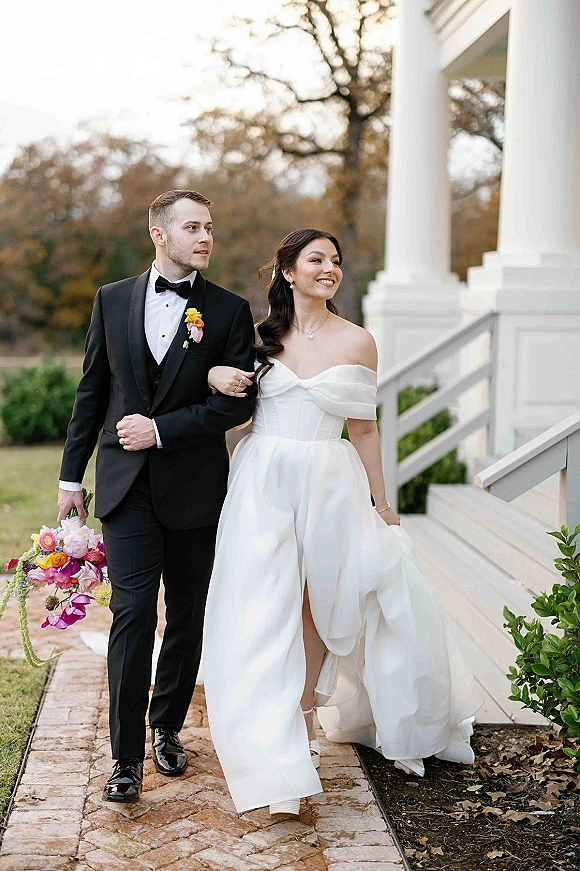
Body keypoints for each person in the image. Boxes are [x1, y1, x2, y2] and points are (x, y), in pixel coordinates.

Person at [202, 228, 482, 817]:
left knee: (316, 603)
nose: (329, 269)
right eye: (316, 260)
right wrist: (212, 378)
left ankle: (304, 716)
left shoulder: (359, 341)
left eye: (335, 261)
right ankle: (276, 747)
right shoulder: (258, 339)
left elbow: (366, 428)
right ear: (287, 271)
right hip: (264, 478)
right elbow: (224, 408)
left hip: (331, 481)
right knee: (266, 599)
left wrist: (382, 502)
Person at [57, 190, 255, 803]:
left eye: (210, 226)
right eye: (193, 226)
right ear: (158, 234)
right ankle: (124, 759)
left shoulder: (228, 310)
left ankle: (165, 726)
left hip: (195, 488)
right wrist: (71, 477)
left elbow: (237, 402)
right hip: (125, 487)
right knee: (133, 614)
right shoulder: (111, 300)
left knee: (186, 617)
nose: (205, 237)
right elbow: (93, 390)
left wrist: (163, 428)